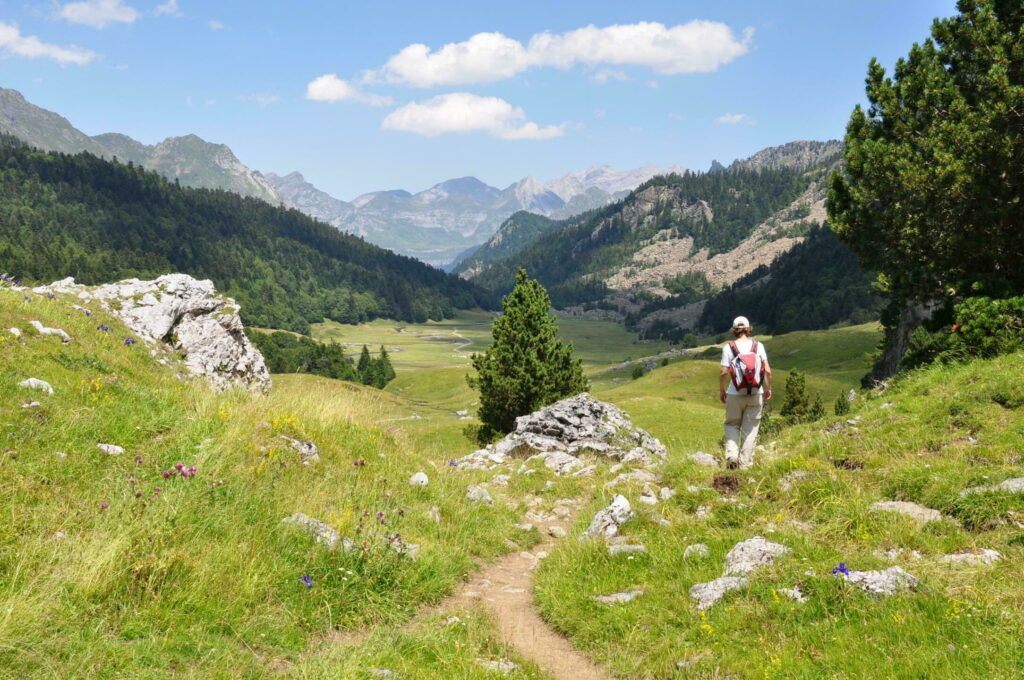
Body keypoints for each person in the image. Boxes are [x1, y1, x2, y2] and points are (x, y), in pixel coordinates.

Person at [718, 316, 772, 469]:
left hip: (734, 393)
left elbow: (723, 373)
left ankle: (732, 456)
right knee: (751, 430)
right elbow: (767, 370)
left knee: (732, 424)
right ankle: (745, 465)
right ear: (749, 329)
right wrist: (768, 388)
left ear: (734, 330)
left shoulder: (728, 347)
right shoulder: (758, 346)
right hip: (756, 393)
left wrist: (722, 390)